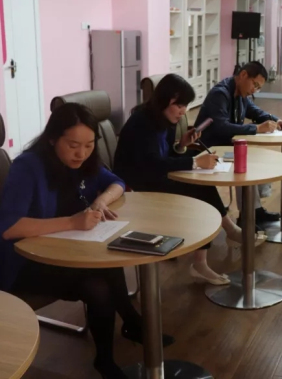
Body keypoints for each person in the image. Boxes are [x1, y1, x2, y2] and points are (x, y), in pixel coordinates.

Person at [0, 103, 172, 379]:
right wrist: (72, 222)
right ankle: (112, 350)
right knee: (97, 286)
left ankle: (127, 328)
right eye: (73, 145)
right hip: (24, 262)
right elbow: (9, 228)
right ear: (53, 138)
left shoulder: (84, 162)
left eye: (89, 145)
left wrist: (100, 201)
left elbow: (116, 182)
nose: (81, 153)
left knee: (109, 258)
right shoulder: (28, 167)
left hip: (65, 248)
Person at [114, 74, 249, 286]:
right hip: (137, 185)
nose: (183, 111)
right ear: (166, 99)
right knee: (200, 191)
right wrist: (194, 162)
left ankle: (219, 241)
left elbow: (165, 155)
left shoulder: (162, 119)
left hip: (154, 175)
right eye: (180, 105)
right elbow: (152, 163)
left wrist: (182, 145)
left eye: (185, 106)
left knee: (201, 186)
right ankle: (211, 251)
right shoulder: (141, 122)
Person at [194, 61, 282, 226]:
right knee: (244, 162)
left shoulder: (240, 94)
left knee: (255, 159)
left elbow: (255, 112)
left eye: (258, 88)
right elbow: (221, 127)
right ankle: (247, 216)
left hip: (226, 146)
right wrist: (256, 128)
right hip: (210, 149)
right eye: (255, 84)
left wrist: (276, 120)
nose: (254, 90)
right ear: (243, 75)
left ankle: (254, 211)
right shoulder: (220, 94)